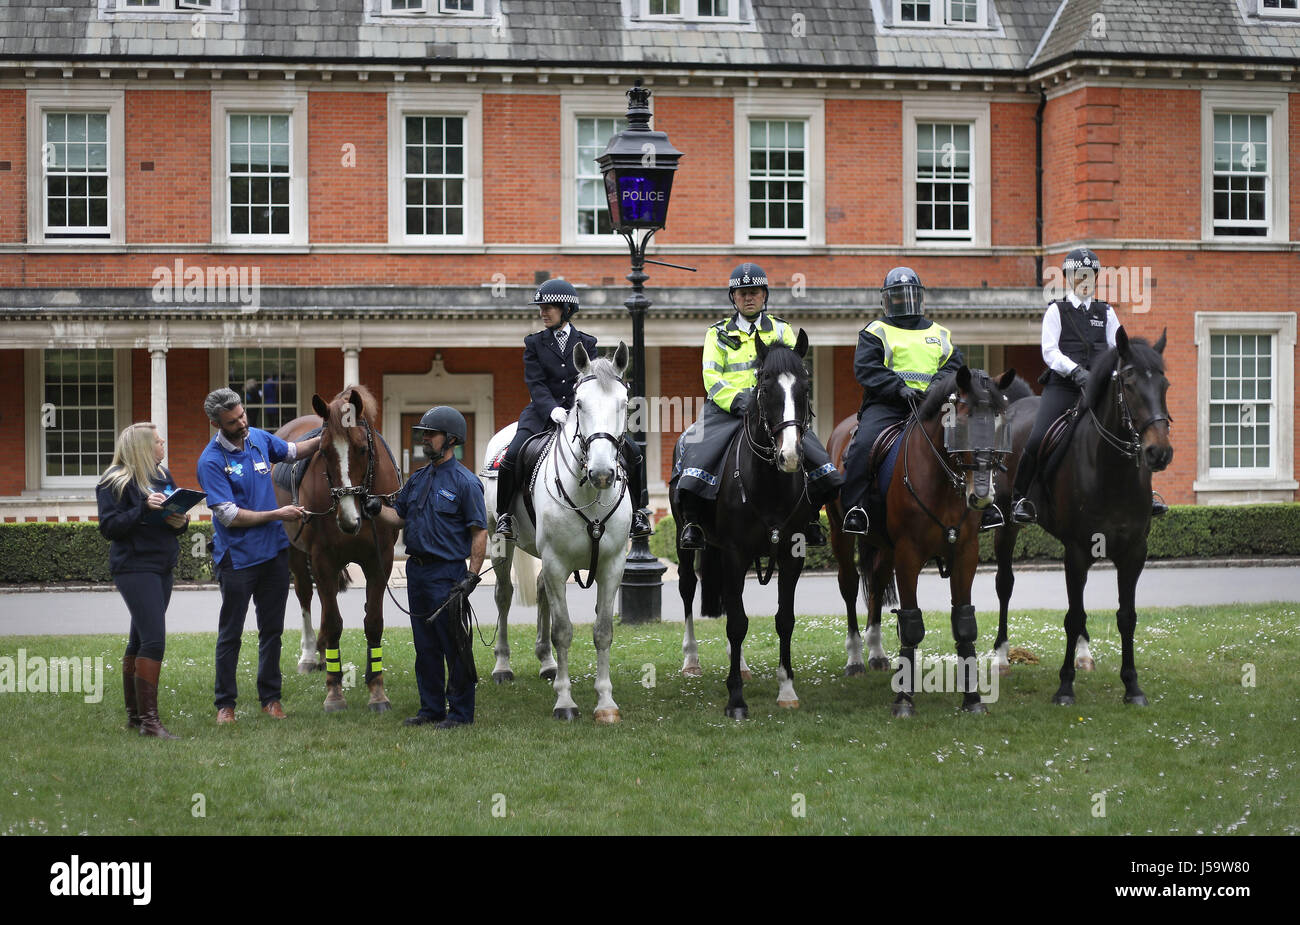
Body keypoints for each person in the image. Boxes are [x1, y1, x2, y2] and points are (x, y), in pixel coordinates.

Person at [673, 262, 843, 550]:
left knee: (821, 463)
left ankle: (811, 519)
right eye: (741, 293)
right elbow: (711, 378)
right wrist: (739, 401)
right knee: (695, 452)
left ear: (764, 295)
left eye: (754, 292)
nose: (748, 297)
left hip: (774, 412)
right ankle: (692, 522)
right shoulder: (717, 333)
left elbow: (793, 374)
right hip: (727, 410)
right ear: (733, 298)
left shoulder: (783, 330)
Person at [1011, 248, 1167, 523]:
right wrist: (1075, 372)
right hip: (1063, 386)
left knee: (1128, 427)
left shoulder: (1105, 311)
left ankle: (1146, 491)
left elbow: (1119, 348)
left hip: (1098, 386)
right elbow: (1049, 352)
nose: (1084, 280)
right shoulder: (1056, 311)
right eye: (1077, 275)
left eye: (1089, 276)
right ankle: (1020, 498)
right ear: (1069, 278)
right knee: (1036, 438)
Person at [197, 387, 321, 724]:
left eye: (242, 414)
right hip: (236, 560)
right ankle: (226, 705)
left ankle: (271, 699)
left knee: (272, 631)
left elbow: (295, 450)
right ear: (215, 423)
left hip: (273, 556)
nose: (242, 422)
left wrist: (329, 434)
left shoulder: (259, 440)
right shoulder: (210, 461)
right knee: (231, 634)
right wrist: (279, 514)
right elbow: (229, 516)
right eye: (233, 421)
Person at [494, 278, 651, 541]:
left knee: (633, 452)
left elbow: (591, 379)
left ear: (566, 309)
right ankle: (505, 516)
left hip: (582, 411)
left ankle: (637, 513)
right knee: (513, 454)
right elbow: (535, 382)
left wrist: (578, 408)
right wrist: (551, 409)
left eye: (549, 307)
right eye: (541, 307)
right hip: (543, 411)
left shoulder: (587, 342)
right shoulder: (534, 343)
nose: (543, 312)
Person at [365, 407, 487, 729]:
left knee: (455, 646)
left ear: (450, 439)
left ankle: (460, 714)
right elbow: (399, 516)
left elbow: (479, 531)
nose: (424, 439)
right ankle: (431, 709)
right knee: (425, 646)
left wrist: (471, 577)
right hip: (417, 573)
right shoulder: (418, 479)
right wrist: (377, 510)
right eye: (423, 434)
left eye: (430, 434)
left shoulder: (466, 483)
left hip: (448, 575)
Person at [842, 267, 964, 535]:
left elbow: (953, 366)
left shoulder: (940, 333)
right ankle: (856, 508)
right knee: (862, 446)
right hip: (888, 405)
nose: (903, 301)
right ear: (886, 300)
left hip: (932, 406)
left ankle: (980, 504)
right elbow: (866, 368)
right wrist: (898, 388)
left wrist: (936, 386)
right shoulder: (876, 330)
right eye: (897, 296)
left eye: (909, 296)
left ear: (920, 298)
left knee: (970, 442)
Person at [96, 423, 189, 739]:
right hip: (134, 568)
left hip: (162, 566)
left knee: (138, 640)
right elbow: (109, 527)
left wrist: (180, 521)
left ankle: (136, 717)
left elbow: (171, 522)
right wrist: (140, 507)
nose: (163, 445)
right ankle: (150, 722)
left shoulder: (162, 476)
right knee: (154, 639)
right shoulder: (114, 482)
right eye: (159, 442)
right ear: (142, 448)